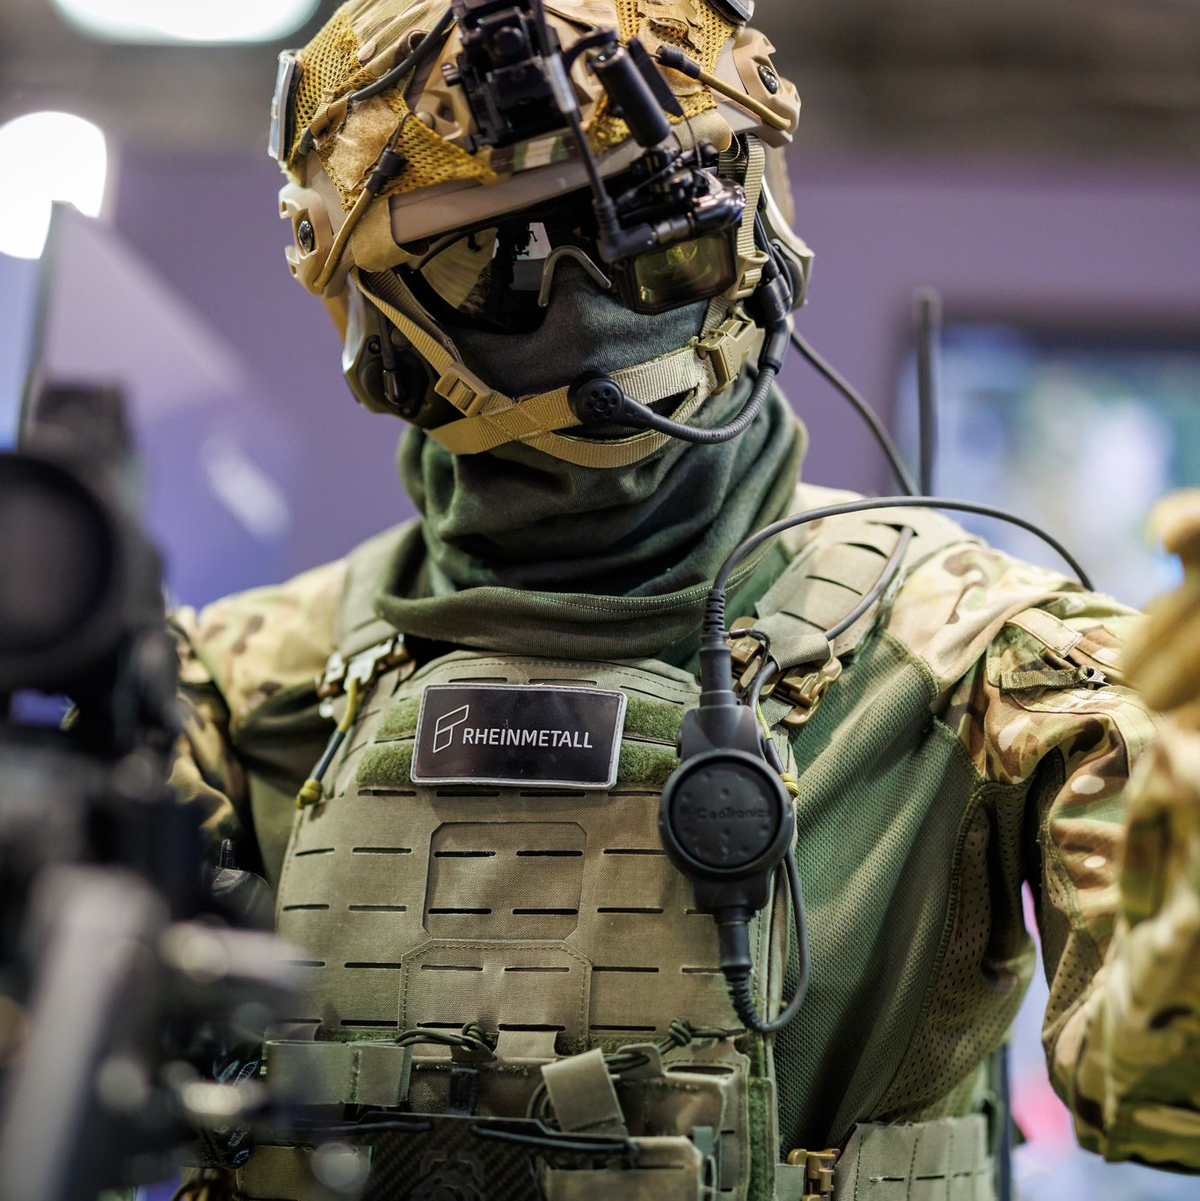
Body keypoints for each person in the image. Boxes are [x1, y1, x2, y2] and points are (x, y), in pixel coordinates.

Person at [168, 2, 1200, 1197]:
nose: (594, 301)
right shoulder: (233, 689)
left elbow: (1166, 1091)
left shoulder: (986, 665)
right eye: (494, 261)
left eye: (654, 226)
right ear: (369, 314)